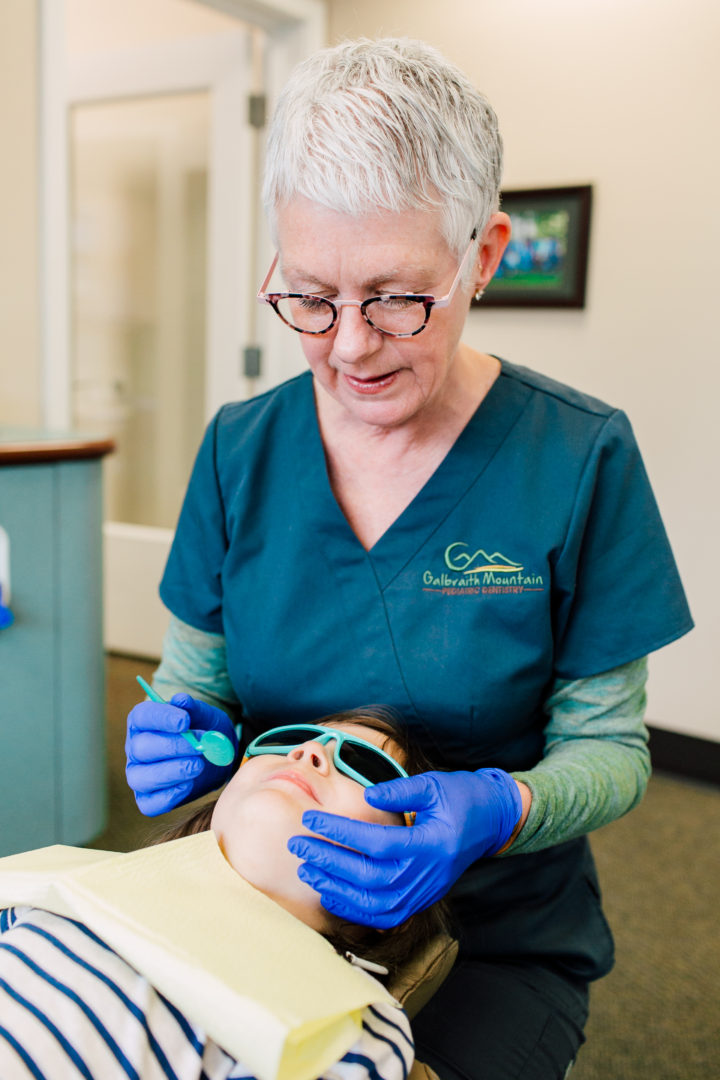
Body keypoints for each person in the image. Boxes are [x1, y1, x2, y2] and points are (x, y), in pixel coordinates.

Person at [124, 37, 694, 1080]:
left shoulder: (577, 456)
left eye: (395, 297)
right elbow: (190, 682)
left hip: (493, 939)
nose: (348, 346)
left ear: (482, 257)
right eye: (308, 295)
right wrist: (176, 732)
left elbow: (613, 752)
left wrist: (502, 809)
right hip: (262, 917)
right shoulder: (240, 451)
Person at [0, 710, 445, 1080]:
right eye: (289, 738)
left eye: (367, 766)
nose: (307, 752)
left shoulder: (336, 1031)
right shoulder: (67, 881)